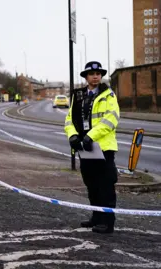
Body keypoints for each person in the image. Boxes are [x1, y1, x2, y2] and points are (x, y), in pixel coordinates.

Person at [64, 61, 120, 234]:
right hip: (85, 148)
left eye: (98, 73)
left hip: (103, 147)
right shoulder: (78, 96)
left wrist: (91, 136)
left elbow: (110, 120)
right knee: (91, 185)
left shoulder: (108, 95)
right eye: (91, 73)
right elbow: (69, 119)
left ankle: (107, 222)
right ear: (86, 77)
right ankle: (96, 217)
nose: (95, 76)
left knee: (106, 186)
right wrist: (72, 135)